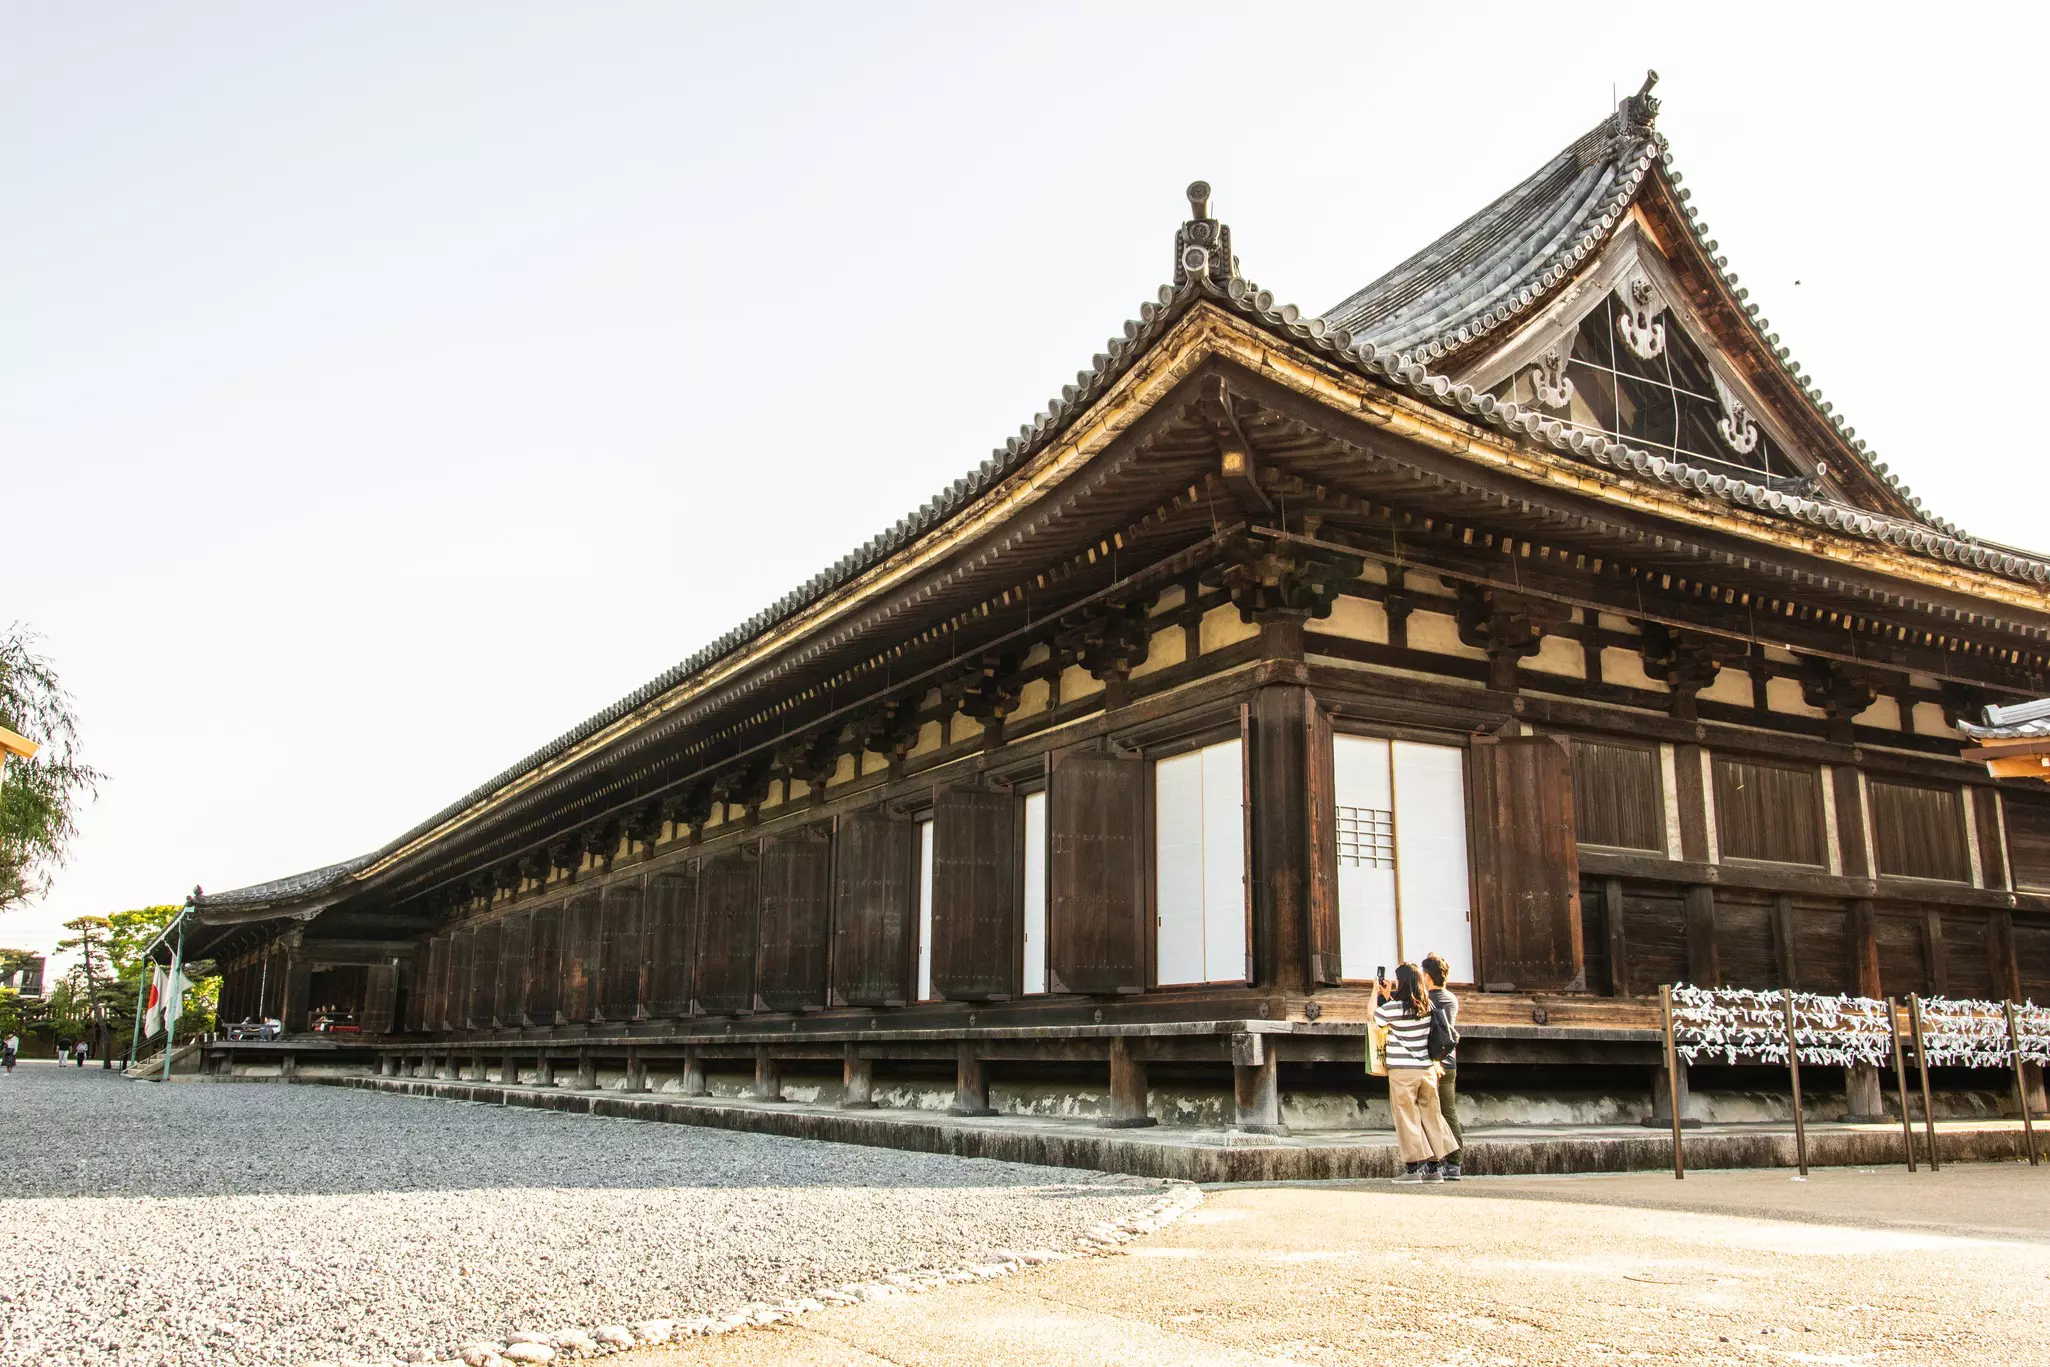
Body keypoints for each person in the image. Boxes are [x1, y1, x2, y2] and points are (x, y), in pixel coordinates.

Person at [1374, 962, 1458, 1182]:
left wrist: (1377, 993)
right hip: (1427, 1070)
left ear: (1401, 982)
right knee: (1432, 1116)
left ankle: (1412, 1170)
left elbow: (1374, 1018)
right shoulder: (1427, 1006)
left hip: (1403, 1071)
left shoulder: (1395, 1008)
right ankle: (1434, 1168)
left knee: (1407, 1117)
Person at [1421, 952, 1463, 1182]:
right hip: (1449, 1062)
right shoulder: (1451, 999)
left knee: (1429, 1114)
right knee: (1449, 1112)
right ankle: (1455, 1164)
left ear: (1427, 978)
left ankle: (1433, 1163)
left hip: (1430, 1063)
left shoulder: (1427, 1001)